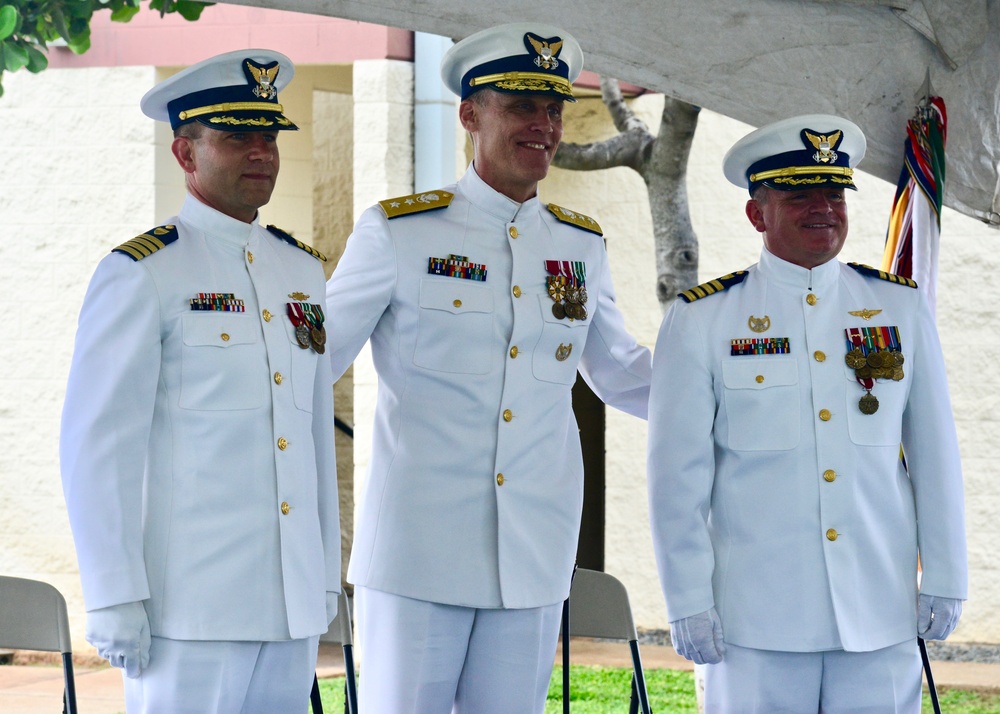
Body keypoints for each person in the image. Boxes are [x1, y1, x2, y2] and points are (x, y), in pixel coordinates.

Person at [325, 22, 651, 714]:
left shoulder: (578, 246)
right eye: (522, 106)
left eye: (554, 108)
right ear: (471, 114)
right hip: (418, 557)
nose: (545, 124)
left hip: (530, 555)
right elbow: (311, 363)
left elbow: (620, 371)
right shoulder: (399, 232)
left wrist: (737, 393)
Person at [647, 114, 967, 712]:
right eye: (799, 194)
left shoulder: (897, 307)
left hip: (877, 610)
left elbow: (935, 454)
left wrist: (948, 574)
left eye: (833, 192)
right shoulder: (703, 320)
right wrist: (687, 596)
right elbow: (677, 480)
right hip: (757, 620)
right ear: (756, 214)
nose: (823, 207)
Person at [60, 49, 341, 713]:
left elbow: (310, 436)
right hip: (188, 609)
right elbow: (98, 446)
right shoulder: (144, 272)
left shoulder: (301, 271)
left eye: (268, 135)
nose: (261, 152)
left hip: (288, 607)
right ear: (185, 154)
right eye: (237, 136)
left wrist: (323, 576)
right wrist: (113, 591)